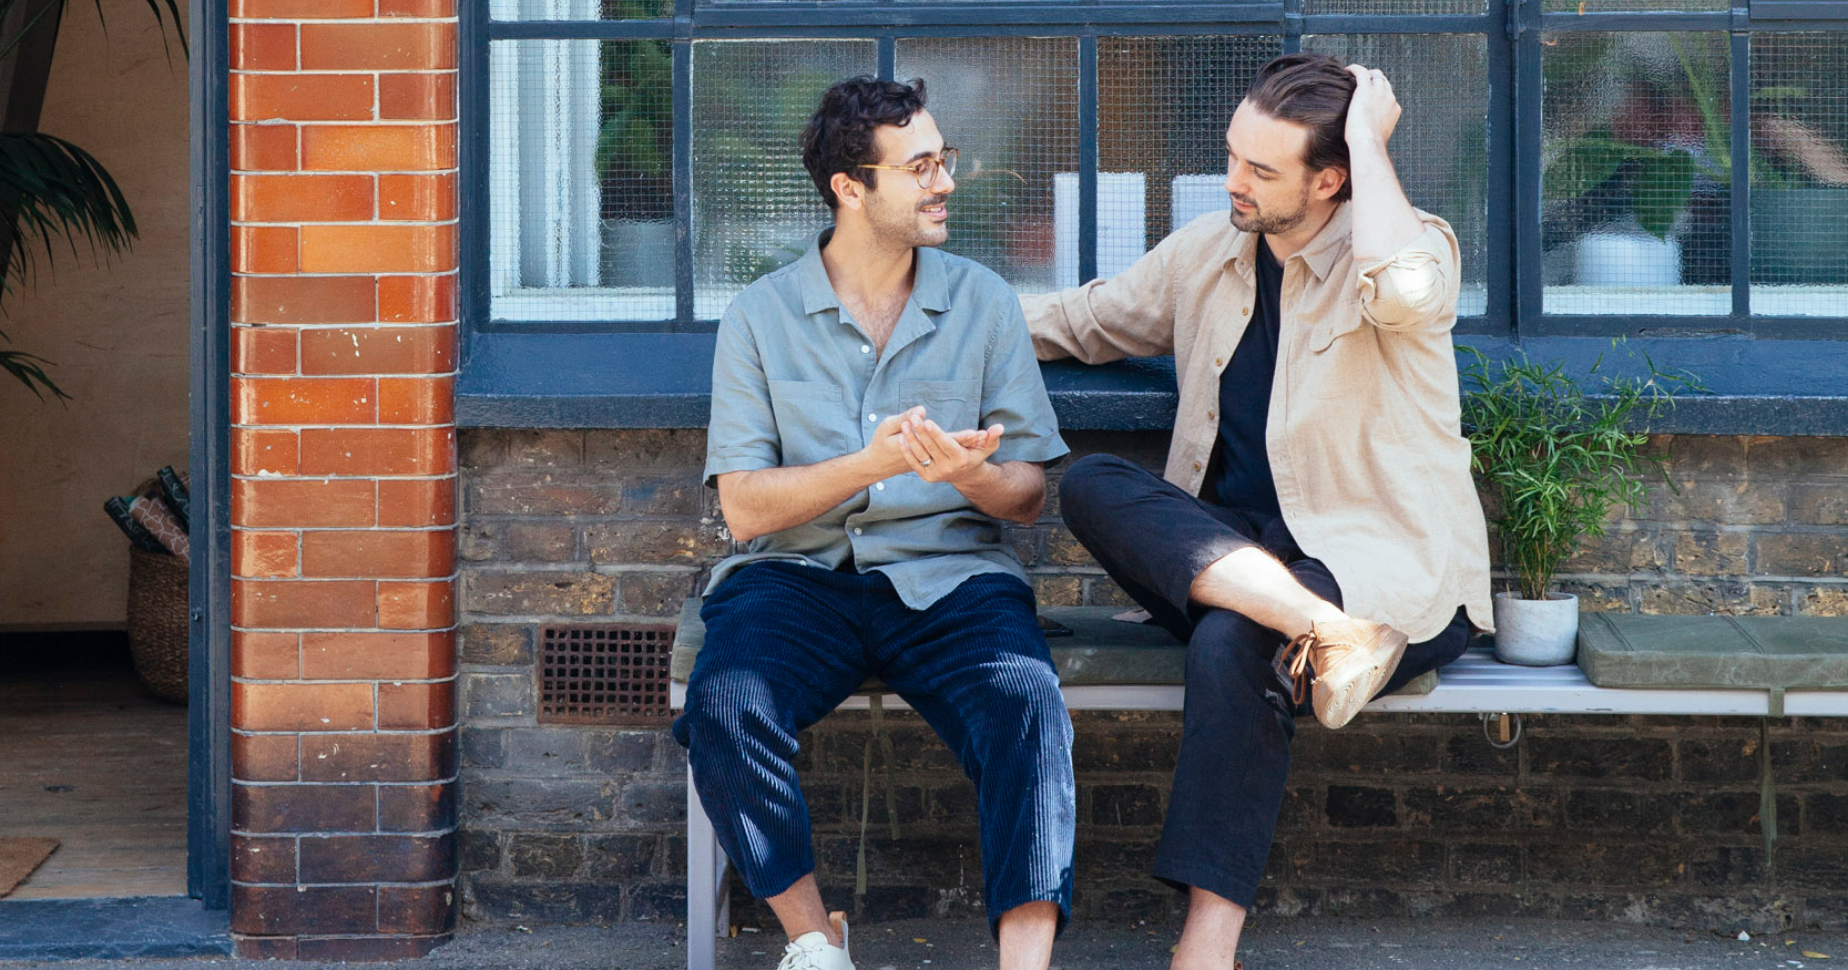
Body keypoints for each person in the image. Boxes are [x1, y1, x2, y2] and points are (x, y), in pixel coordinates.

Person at [1020, 52, 1494, 968]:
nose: (1233, 182)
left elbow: (1407, 290)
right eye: (1233, 156)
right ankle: (1327, 633)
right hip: (1246, 561)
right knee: (1091, 484)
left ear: (1330, 180)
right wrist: (925, 316)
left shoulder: (1404, 247)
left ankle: (1207, 946)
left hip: (1386, 572)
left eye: (1262, 170)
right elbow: (1080, 321)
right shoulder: (1209, 253)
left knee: (1234, 638)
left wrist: (1368, 134)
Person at [673, 76, 1075, 970]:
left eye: (945, 161)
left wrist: (973, 476)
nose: (945, 184)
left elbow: (1028, 496)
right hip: (797, 580)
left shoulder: (983, 302)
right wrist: (873, 463)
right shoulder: (760, 316)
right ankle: (815, 943)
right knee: (727, 703)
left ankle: (1025, 962)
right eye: (921, 167)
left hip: (952, 575)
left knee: (1027, 701)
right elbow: (742, 508)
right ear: (849, 188)